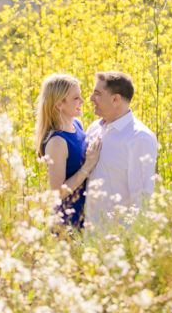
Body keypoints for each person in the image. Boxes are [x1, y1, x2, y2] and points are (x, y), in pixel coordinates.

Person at [84, 71, 158, 229]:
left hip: (118, 236)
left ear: (115, 99)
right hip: (92, 234)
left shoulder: (139, 138)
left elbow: (142, 198)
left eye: (97, 94)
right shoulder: (94, 129)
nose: (91, 98)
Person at [34, 74, 100, 228]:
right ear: (59, 105)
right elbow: (57, 192)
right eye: (76, 98)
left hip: (87, 212)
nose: (83, 101)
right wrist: (87, 166)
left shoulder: (77, 124)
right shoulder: (57, 142)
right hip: (67, 220)